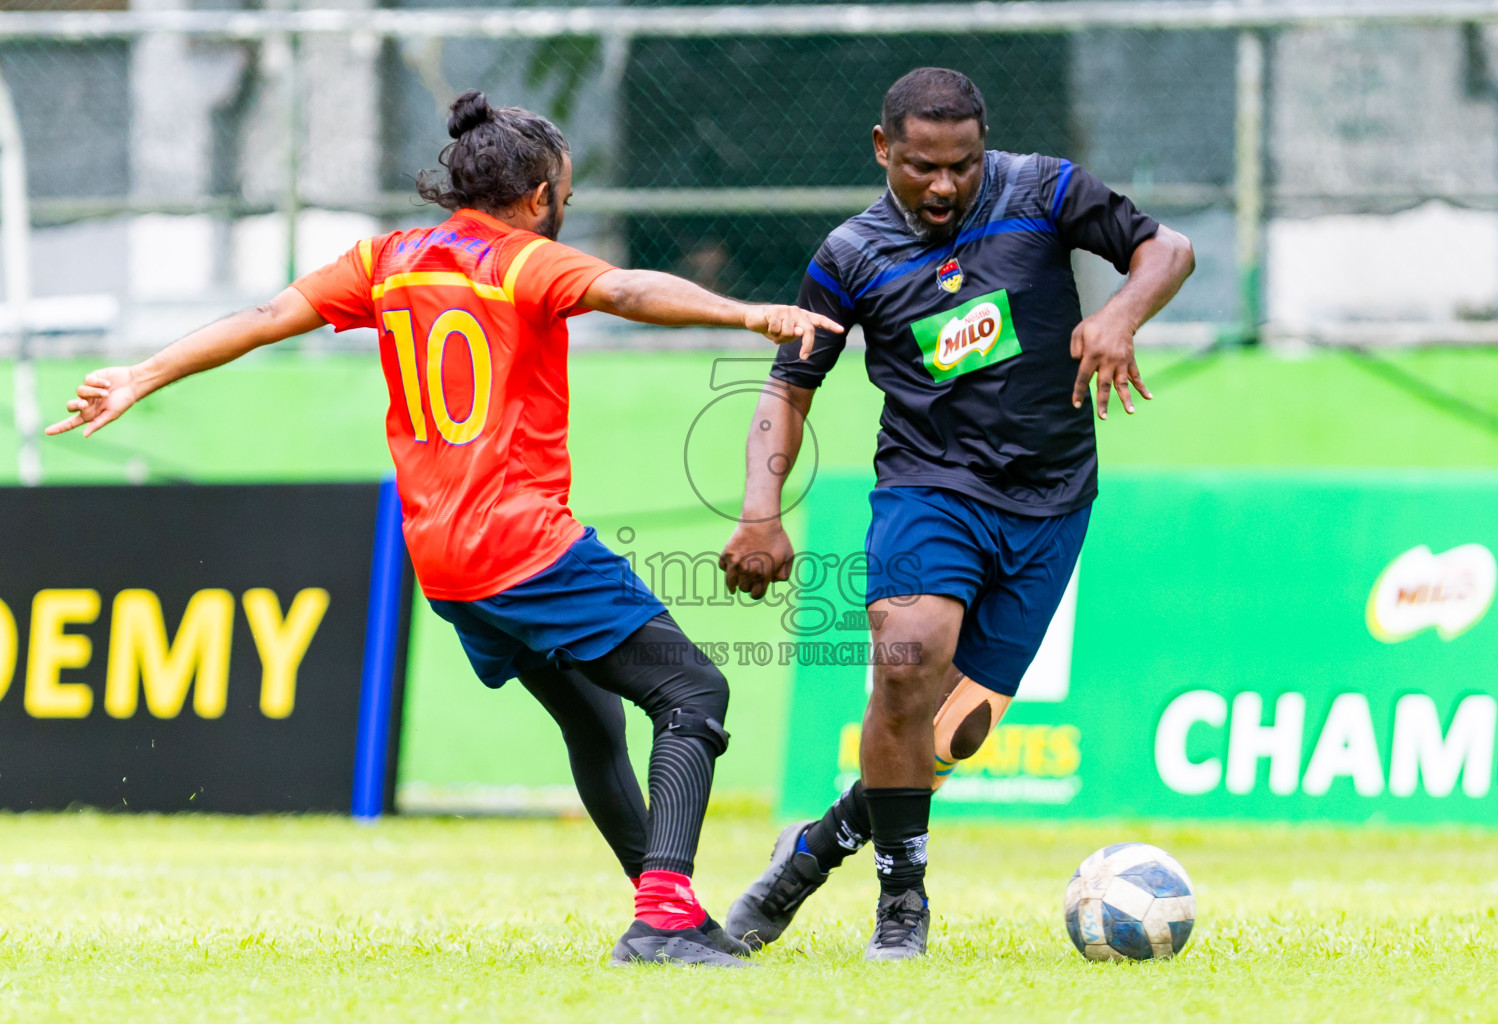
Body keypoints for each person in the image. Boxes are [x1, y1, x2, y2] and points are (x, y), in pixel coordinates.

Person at [47, 90, 841, 969]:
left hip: (447, 563)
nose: (565, 209)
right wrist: (747, 314)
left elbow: (266, 318)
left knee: (595, 725)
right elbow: (623, 287)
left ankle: (672, 915)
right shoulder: (523, 263)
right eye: (564, 194)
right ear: (539, 195)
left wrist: (141, 374)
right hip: (526, 546)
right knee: (694, 694)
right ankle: (662, 918)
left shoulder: (388, 260)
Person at [718, 68, 1194, 960]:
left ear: (986, 149)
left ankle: (812, 852)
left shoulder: (1044, 191)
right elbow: (788, 387)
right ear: (881, 149)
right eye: (921, 167)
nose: (943, 185)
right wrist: (759, 512)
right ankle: (903, 905)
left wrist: (1122, 314)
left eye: (962, 166)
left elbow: (1167, 249)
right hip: (928, 489)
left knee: (953, 734)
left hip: (1053, 501)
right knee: (908, 665)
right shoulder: (849, 257)